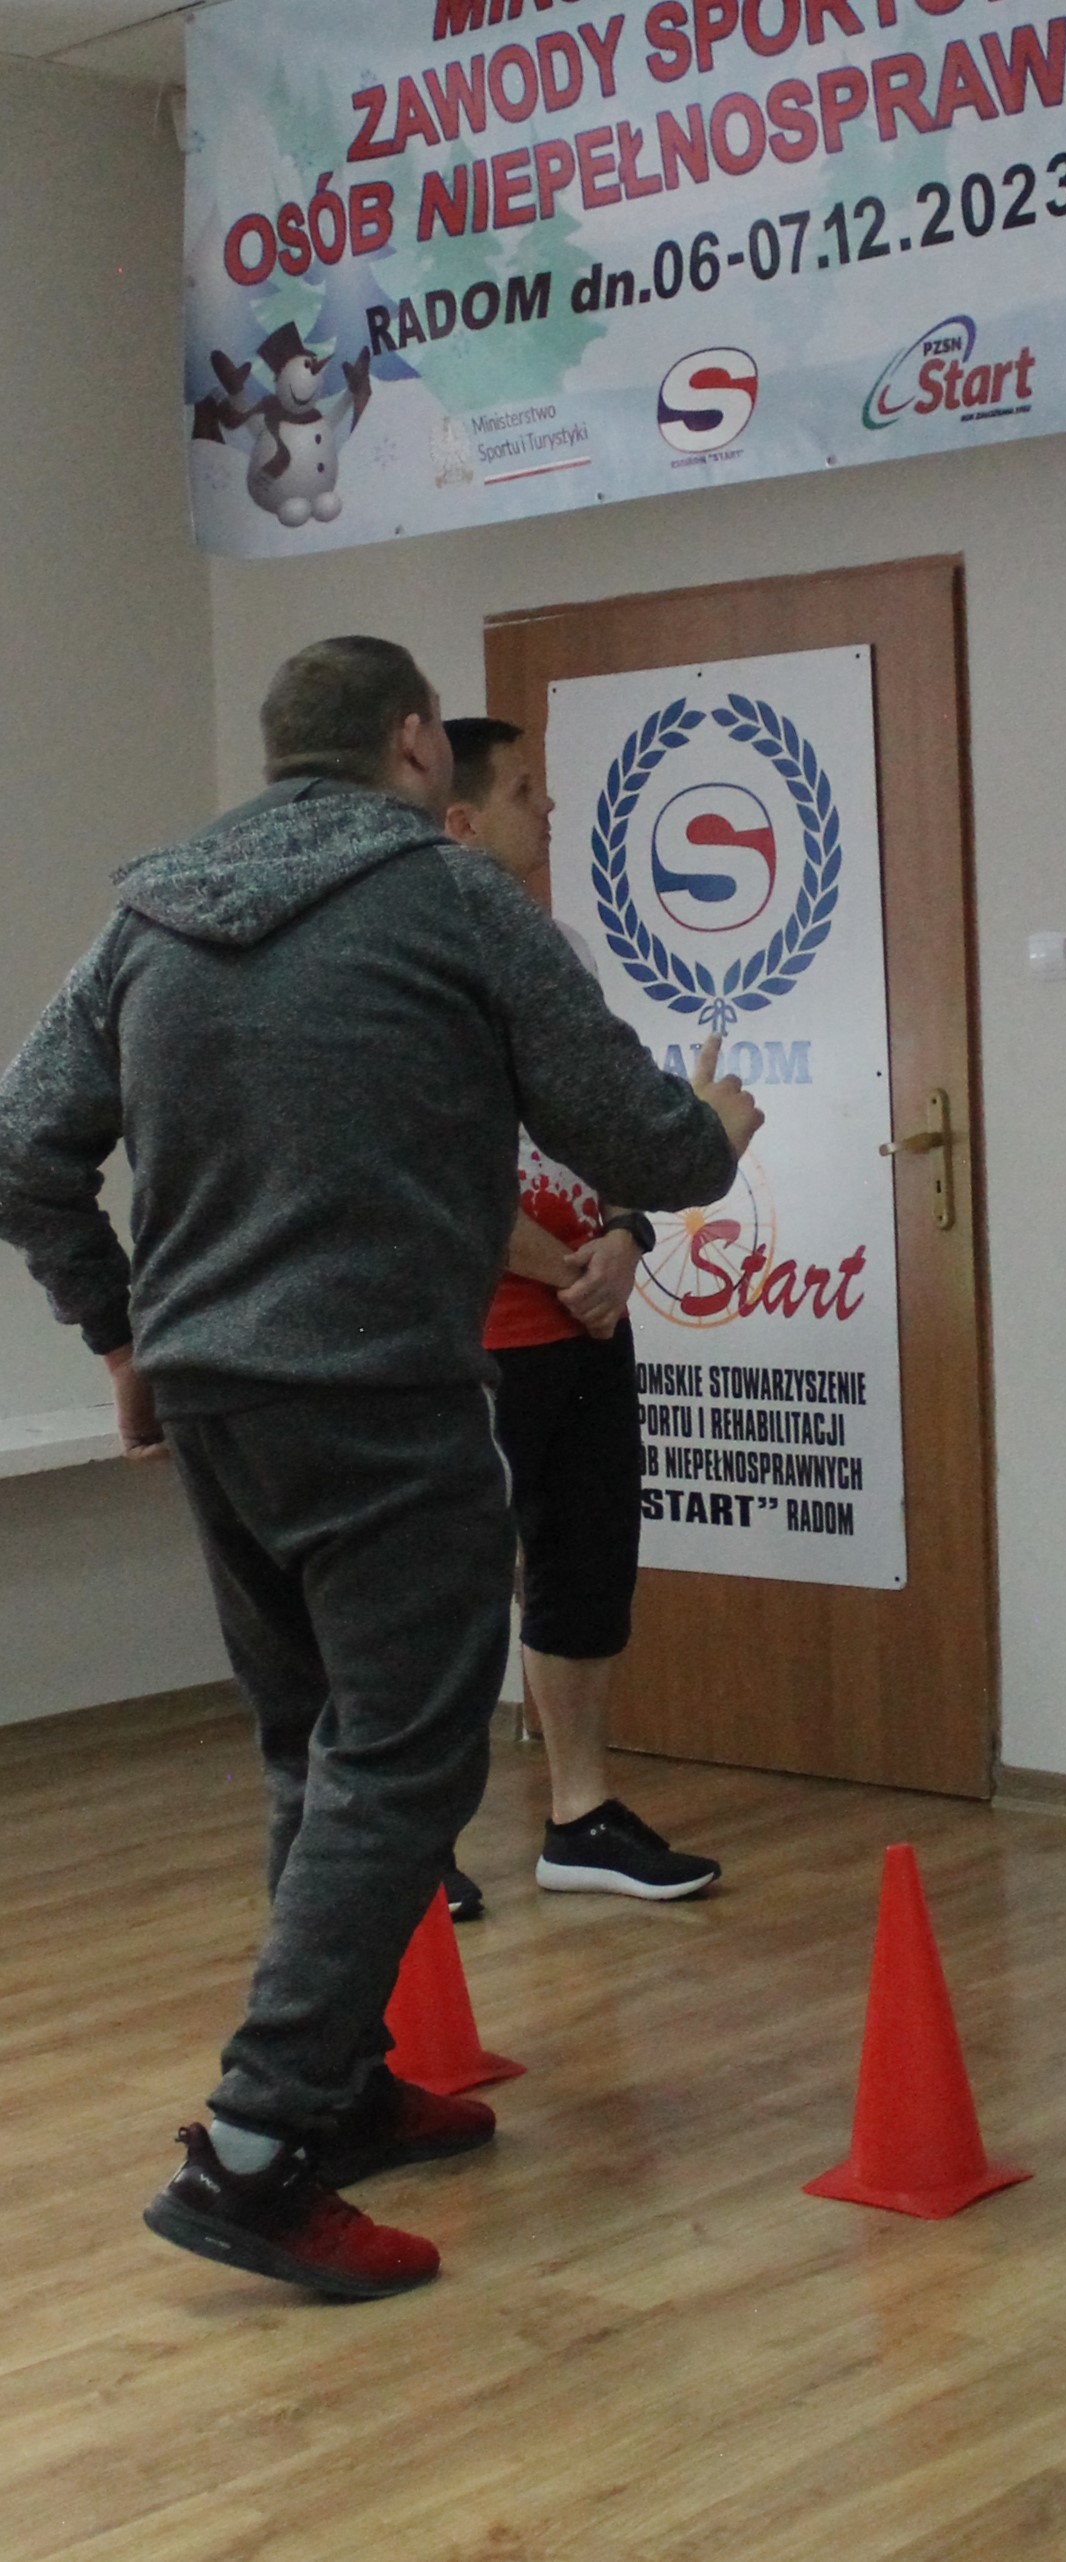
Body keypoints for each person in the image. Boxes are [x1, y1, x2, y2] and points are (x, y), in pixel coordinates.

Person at [0, 637, 762, 2299]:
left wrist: (121, 1333)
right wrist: (713, 1129)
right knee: (406, 1762)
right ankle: (254, 2145)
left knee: (315, 1746)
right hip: (378, 1394)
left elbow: (21, 1143)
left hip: (219, 1400)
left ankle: (337, 2089)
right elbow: (645, 1142)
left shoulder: (151, 916)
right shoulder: (452, 897)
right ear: (415, 741)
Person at [440, 716, 721, 1909]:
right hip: (476, 1332)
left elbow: (601, 1126)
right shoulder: (419, 968)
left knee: (586, 1568)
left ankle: (580, 1815)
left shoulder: (559, 952)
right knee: (444, 1593)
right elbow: (440, 1173)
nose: (549, 810)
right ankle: (409, 1847)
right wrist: (564, 1267)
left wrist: (625, 1236)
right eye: (524, 790)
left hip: (583, 1317)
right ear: (459, 822)